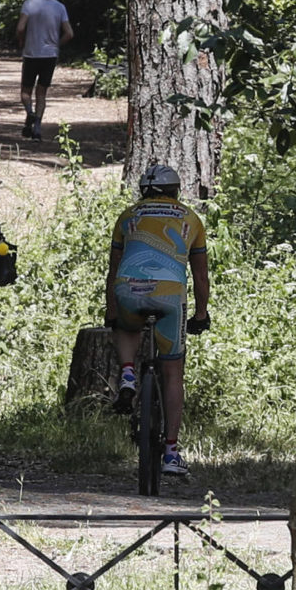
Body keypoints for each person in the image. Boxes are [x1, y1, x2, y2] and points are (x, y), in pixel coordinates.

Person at [105, 162, 211, 480]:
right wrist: (201, 314)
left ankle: (127, 376)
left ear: (143, 192)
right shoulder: (191, 218)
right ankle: (171, 452)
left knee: (125, 324)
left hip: (128, 289)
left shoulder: (128, 216)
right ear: (176, 192)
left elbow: (112, 271)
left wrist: (111, 310)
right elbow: (201, 276)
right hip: (170, 295)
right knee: (173, 372)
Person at [16, 0, 73, 140]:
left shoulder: (29, 4)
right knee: (42, 92)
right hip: (49, 55)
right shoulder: (59, 7)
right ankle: (37, 128)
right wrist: (56, 44)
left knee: (26, 91)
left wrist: (21, 39)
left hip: (32, 53)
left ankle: (29, 113)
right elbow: (69, 33)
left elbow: (20, 27)